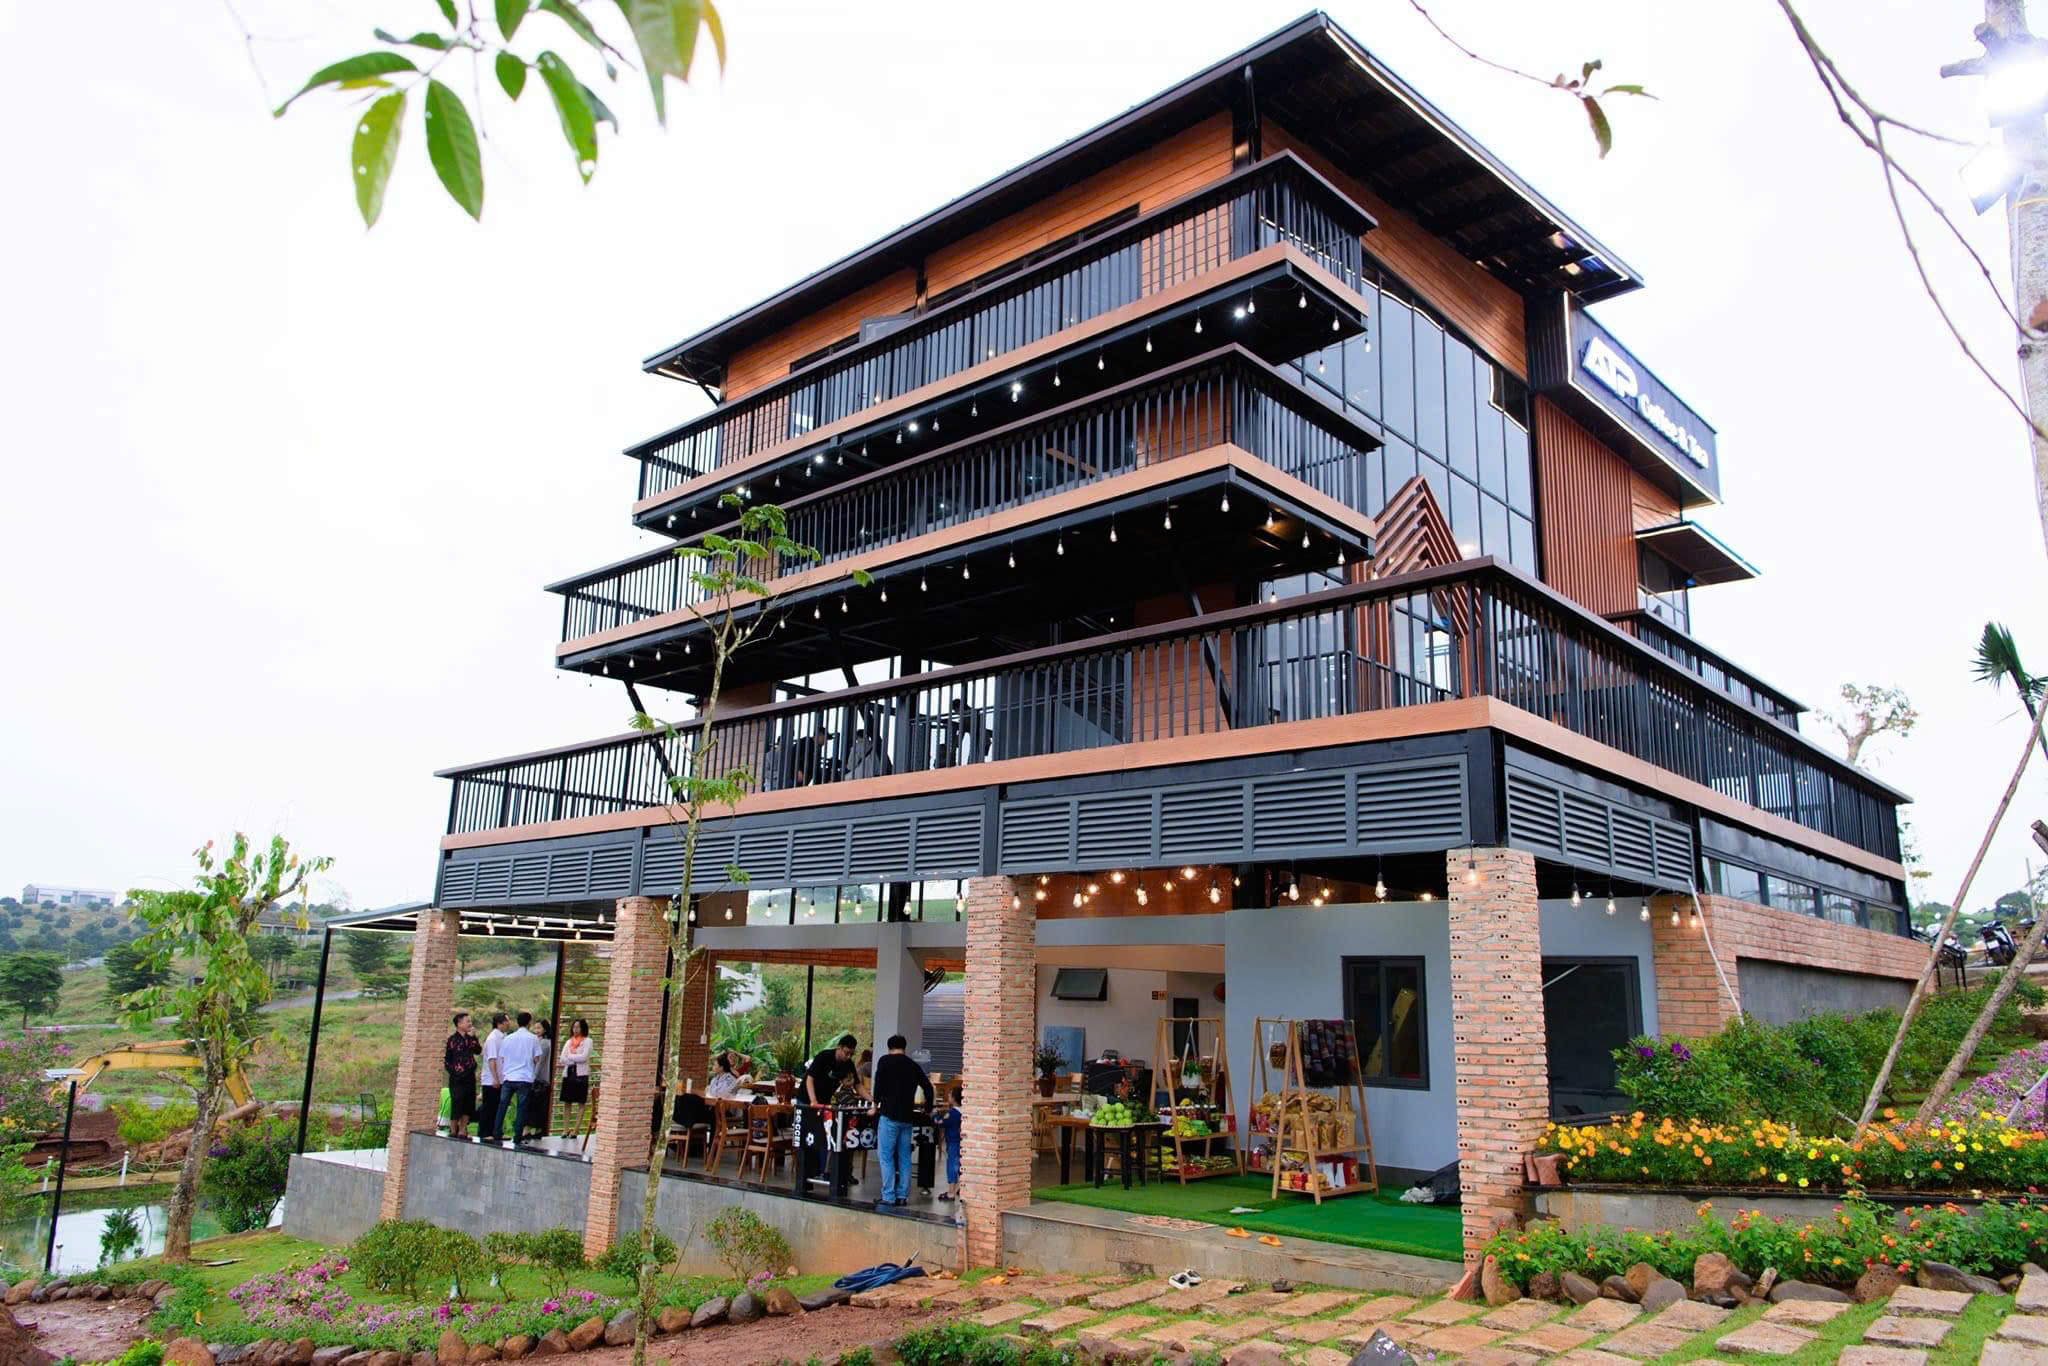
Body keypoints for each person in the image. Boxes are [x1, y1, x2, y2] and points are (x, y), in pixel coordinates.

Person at [872, 1034, 932, 1208]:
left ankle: (888, 1196)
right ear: (904, 1048)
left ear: (889, 1048)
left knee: (886, 1157)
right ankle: (902, 1196)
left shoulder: (884, 1061)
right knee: (905, 1157)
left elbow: (878, 1085)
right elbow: (927, 1087)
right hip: (907, 1117)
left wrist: (875, 1103)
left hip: (889, 1114)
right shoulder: (912, 1065)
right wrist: (928, 1108)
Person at [494, 1011, 546, 1144]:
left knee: (502, 1106)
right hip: (524, 1077)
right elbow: (537, 1058)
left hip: (509, 1077)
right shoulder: (533, 1038)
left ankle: (497, 1132)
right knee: (521, 1108)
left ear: (517, 1022)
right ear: (529, 1023)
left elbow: (502, 1058)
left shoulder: (508, 1038)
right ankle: (517, 1136)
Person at [444, 1011, 482, 1139]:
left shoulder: (470, 1038)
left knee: (469, 1102)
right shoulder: (452, 1040)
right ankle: (453, 1129)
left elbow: (478, 1050)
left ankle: (462, 1129)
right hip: (457, 1077)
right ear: (459, 1024)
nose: (470, 1023)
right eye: (468, 1021)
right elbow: (447, 1060)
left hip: (469, 1076)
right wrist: (454, 1072)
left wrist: (473, 1037)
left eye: (470, 1021)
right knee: (457, 1102)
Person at [557, 1018, 593, 1136]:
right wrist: (574, 1059)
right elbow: (562, 1059)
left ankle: (576, 1130)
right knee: (567, 1102)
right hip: (569, 1074)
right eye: (574, 1027)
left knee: (581, 1102)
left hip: (581, 1075)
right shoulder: (569, 1042)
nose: (575, 1029)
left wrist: (570, 1057)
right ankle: (565, 1129)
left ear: (583, 1028)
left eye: (578, 1027)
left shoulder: (588, 1041)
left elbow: (584, 1057)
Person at [478, 1012, 510, 1141]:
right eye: (506, 1021)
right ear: (499, 1023)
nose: (508, 1023)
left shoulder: (503, 1037)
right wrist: (495, 1078)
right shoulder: (493, 1038)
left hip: (501, 1077)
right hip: (491, 1079)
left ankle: (497, 1132)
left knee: (498, 1107)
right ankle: (485, 1132)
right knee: (489, 1107)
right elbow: (492, 1059)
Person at [522, 1019, 554, 1141]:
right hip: (538, 1079)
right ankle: (538, 1130)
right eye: (535, 1028)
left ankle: (528, 1130)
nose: (536, 1031)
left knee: (534, 1106)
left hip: (539, 1080)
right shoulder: (537, 1041)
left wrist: (532, 1077)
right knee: (538, 1106)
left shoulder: (544, 1043)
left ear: (544, 1029)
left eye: (539, 1028)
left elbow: (539, 1062)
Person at [937, 1082, 963, 1201]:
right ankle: (961, 1188)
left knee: (952, 1165)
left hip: (953, 1142)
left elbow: (941, 1123)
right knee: (961, 1166)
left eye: (950, 1095)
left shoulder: (952, 1114)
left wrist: (935, 1115)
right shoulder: (964, 1112)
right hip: (962, 1142)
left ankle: (951, 1192)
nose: (948, 1096)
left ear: (953, 1098)